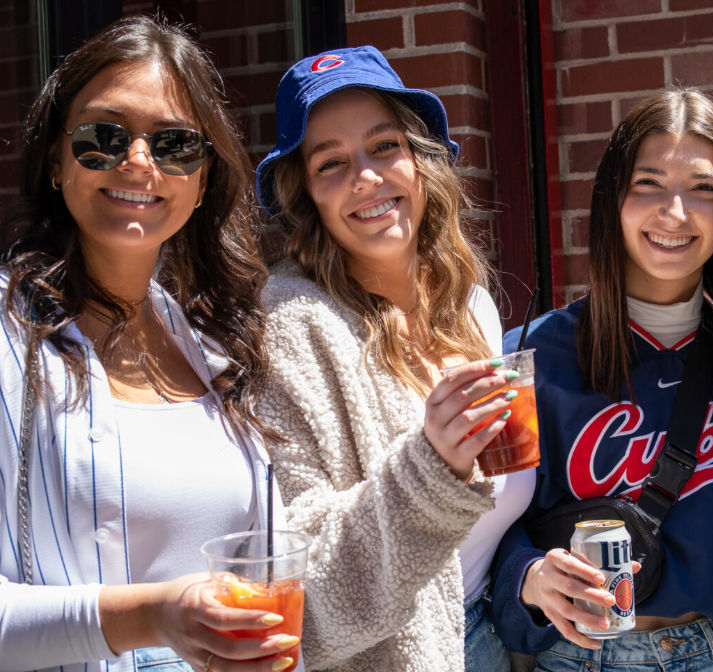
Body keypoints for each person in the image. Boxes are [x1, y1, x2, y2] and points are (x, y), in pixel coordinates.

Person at [0, 15, 297, 672]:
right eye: (103, 137)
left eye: (174, 145)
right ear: (55, 159)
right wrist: (152, 615)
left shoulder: (220, 346)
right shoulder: (6, 340)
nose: (138, 162)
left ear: (201, 181)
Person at [489, 88, 713, 672]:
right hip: (590, 657)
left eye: (703, 188)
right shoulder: (525, 355)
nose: (673, 213)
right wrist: (529, 576)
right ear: (612, 201)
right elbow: (485, 532)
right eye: (648, 184)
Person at [254, 46, 534, 672]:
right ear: (307, 196)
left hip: (495, 638)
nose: (367, 177)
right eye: (331, 162)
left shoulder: (473, 307)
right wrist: (431, 465)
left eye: (384, 146)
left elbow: (497, 508)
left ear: (418, 162)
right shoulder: (290, 327)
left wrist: (532, 575)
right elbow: (299, 583)